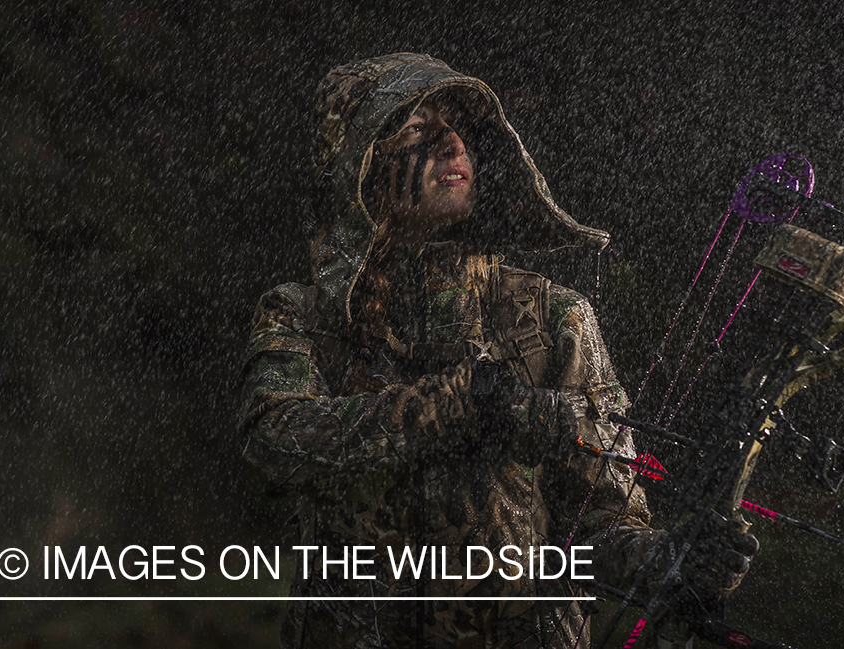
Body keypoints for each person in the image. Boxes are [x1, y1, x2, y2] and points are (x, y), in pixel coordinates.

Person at [237, 53, 755, 649]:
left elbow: (604, 524)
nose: (451, 142)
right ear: (363, 170)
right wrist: (464, 403)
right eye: (413, 129)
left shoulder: (553, 319)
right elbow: (273, 441)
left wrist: (674, 560)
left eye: (457, 125)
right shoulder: (303, 315)